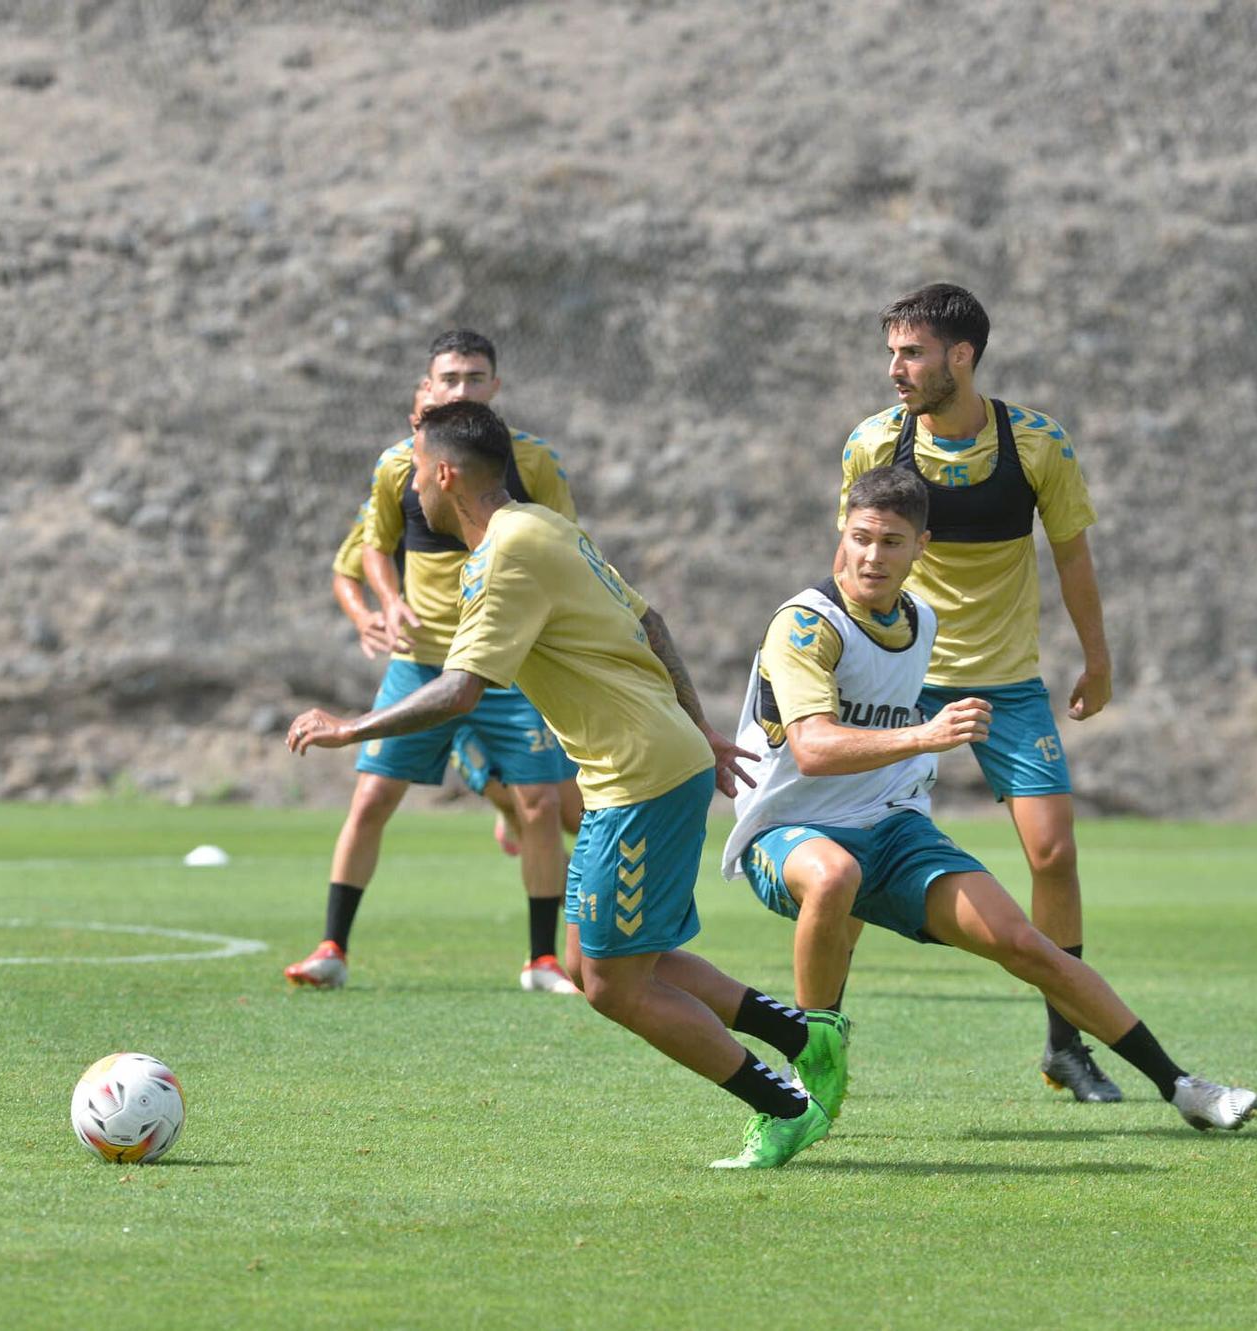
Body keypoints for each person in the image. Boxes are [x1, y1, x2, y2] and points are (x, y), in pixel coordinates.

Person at [290, 401, 844, 1169]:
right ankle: (802, 1035)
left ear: (445, 473)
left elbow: (460, 691)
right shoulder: (546, 527)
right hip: (639, 765)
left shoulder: (505, 553)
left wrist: (351, 726)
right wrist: (704, 729)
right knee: (598, 963)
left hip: (639, 774)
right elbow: (653, 624)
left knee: (614, 987)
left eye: (416, 471)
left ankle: (783, 1106)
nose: (412, 489)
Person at [721, 466, 1257, 1132]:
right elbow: (813, 748)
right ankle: (812, 1066)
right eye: (861, 537)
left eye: (892, 541)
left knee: (1025, 943)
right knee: (834, 875)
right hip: (788, 830)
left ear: (922, 547)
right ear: (843, 533)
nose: (872, 555)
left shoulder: (922, 622)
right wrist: (926, 734)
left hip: (889, 832)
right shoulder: (806, 625)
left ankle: (1183, 1086)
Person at [836, 282, 1125, 1101]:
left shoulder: (1037, 446)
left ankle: (1065, 1046)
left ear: (961, 358)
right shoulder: (871, 444)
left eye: (912, 353)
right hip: (896, 679)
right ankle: (819, 1038)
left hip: (1005, 684)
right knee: (845, 861)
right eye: (893, 352)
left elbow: (1073, 557)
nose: (896, 368)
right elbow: (853, 562)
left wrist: (1097, 661)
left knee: (1054, 852)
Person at [287, 332, 583, 994]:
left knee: (543, 803)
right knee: (372, 795)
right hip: (423, 662)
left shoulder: (531, 463)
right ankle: (332, 946)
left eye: (475, 378)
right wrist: (387, 602)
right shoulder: (401, 464)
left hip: (509, 663)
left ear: (495, 387)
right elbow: (369, 548)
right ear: (427, 387)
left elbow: (569, 547)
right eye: (448, 378)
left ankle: (542, 960)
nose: (461, 390)